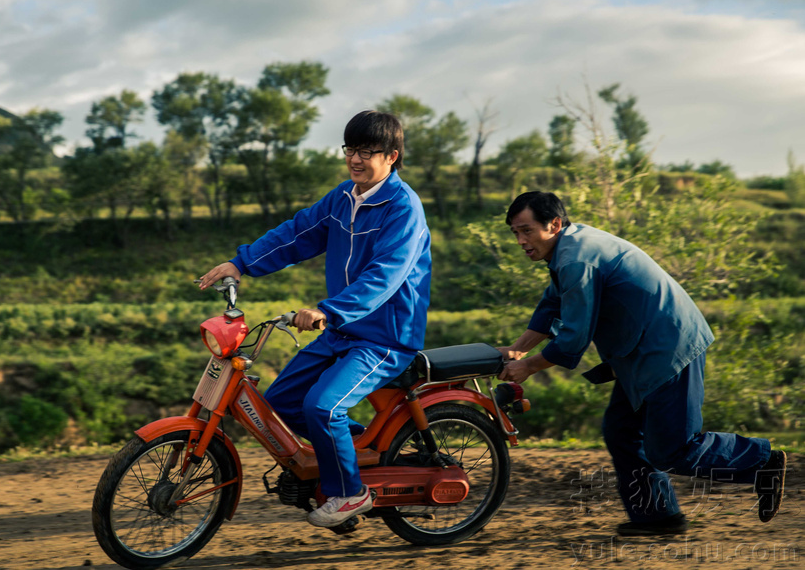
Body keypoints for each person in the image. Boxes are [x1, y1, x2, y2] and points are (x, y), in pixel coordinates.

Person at [496, 191, 786, 536]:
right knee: (622, 432)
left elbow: (574, 336)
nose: (521, 241)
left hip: (667, 348)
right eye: (515, 232)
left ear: (554, 224)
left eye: (526, 231)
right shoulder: (570, 248)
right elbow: (551, 305)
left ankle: (762, 460)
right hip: (639, 353)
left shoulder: (577, 259)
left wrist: (528, 366)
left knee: (673, 449)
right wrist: (517, 348)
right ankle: (657, 517)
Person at [197, 110, 431, 528]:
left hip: (385, 337)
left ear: (392, 156)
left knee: (322, 408)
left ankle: (350, 492)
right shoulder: (344, 197)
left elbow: (387, 275)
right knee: (283, 403)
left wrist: (328, 310)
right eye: (350, 149)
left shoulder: (403, 209)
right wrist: (241, 264)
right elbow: (298, 234)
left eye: (367, 151)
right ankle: (359, 452)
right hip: (344, 329)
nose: (356, 159)